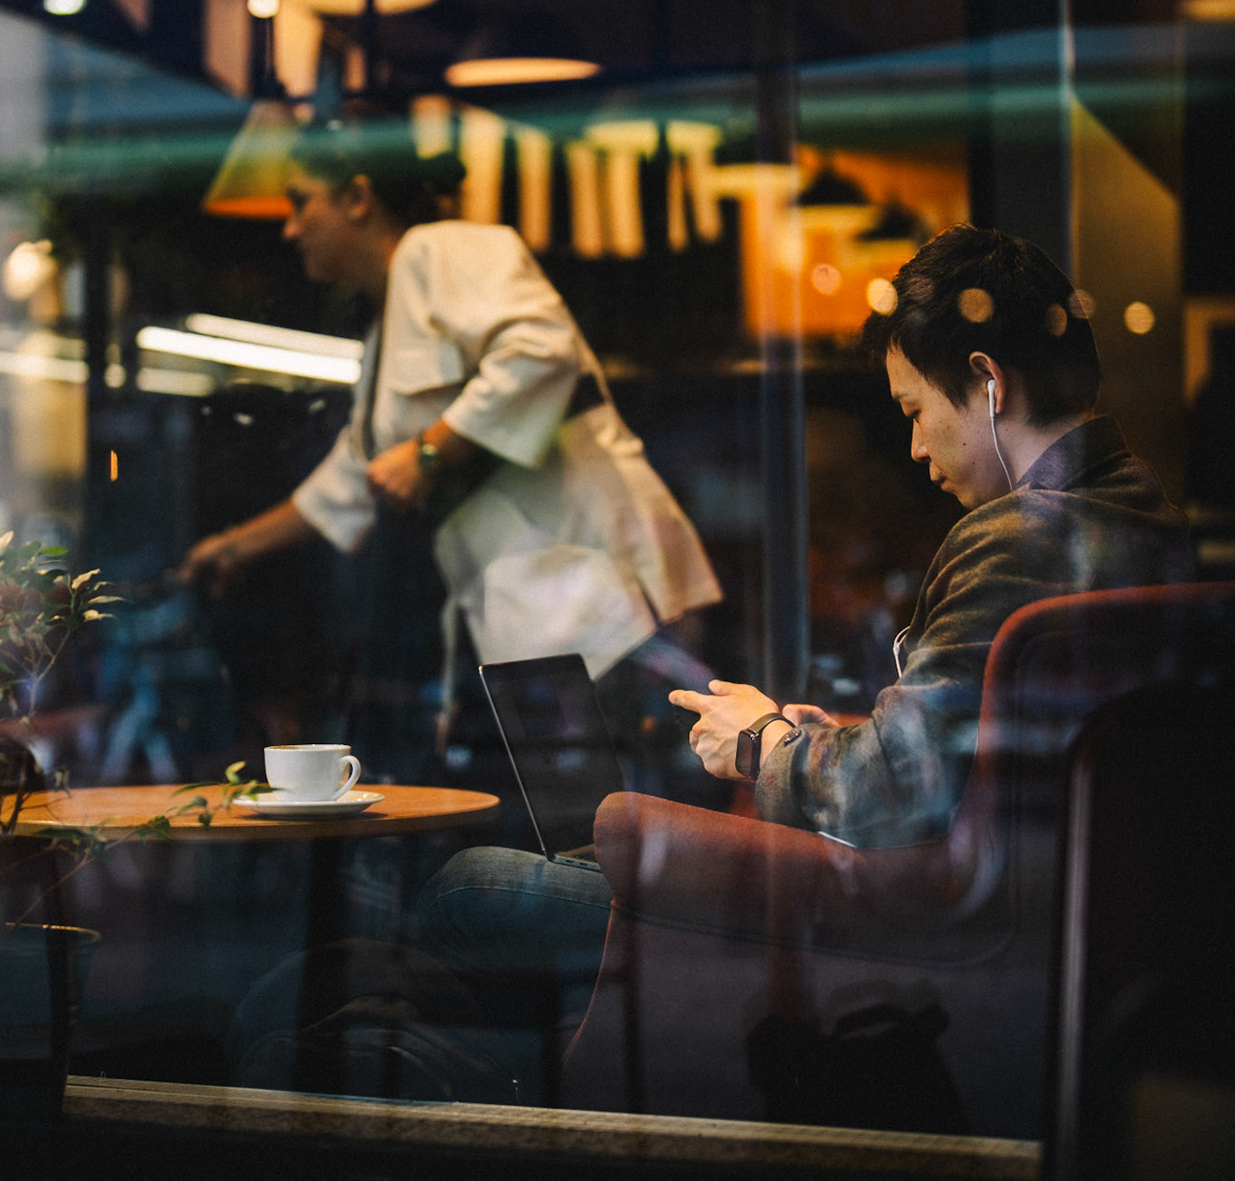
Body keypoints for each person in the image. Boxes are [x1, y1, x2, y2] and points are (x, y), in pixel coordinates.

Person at [419, 225, 1193, 984]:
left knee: (472, 885)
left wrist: (761, 744)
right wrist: (817, 735)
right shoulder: (1146, 516)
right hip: (1030, 919)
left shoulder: (1021, 541)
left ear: (990, 382)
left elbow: (899, 791)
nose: (918, 448)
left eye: (915, 411)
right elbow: (969, 757)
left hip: (916, 932)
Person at [180, 114, 719, 778]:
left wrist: (431, 452)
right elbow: (357, 474)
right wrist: (236, 547)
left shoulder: (446, 250)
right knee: (585, 827)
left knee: (632, 820)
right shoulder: (386, 333)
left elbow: (539, 348)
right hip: (540, 615)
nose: (288, 228)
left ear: (356, 197)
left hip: (605, 599)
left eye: (299, 202)